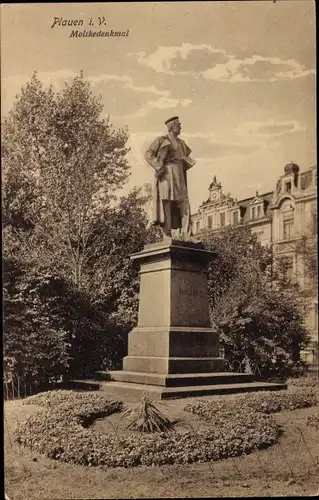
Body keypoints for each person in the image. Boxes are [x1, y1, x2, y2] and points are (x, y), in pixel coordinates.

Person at [145, 116, 195, 239]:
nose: (181, 127)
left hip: (179, 175)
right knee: (166, 203)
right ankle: (166, 234)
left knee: (184, 203)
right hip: (166, 174)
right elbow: (148, 154)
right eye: (179, 125)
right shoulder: (161, 140)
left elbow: (186, 157)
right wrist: (158, 166)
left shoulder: (182, 143)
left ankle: (188, 235)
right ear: (172, 126)